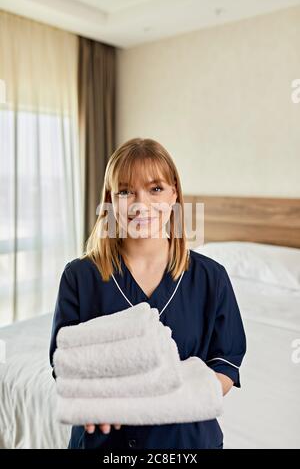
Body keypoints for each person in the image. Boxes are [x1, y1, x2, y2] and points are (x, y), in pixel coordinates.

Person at [49, 137, 246, 449]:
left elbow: (225, 362)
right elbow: (66, 364)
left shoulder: (211, 278)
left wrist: (170, 400)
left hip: (187, 445)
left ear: (174, 194)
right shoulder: (79, 277)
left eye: (155, 188)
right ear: (110, 201)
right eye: (126, 191)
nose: (141, 204)